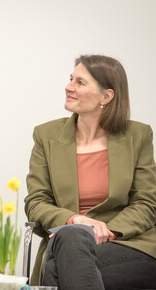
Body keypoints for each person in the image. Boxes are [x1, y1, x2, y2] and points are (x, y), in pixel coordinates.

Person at [24, 55, 156, 290]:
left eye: (80, 82)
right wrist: (76, 221)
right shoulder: (46, 136)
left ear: (106, 96)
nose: (68, 86)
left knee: (58, 268)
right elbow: (36, 202)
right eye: (70, 79)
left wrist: (108, 231)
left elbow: (146, 203)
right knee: (72, 236)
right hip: (68, 243)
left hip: (128, 246)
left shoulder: (139, 135)